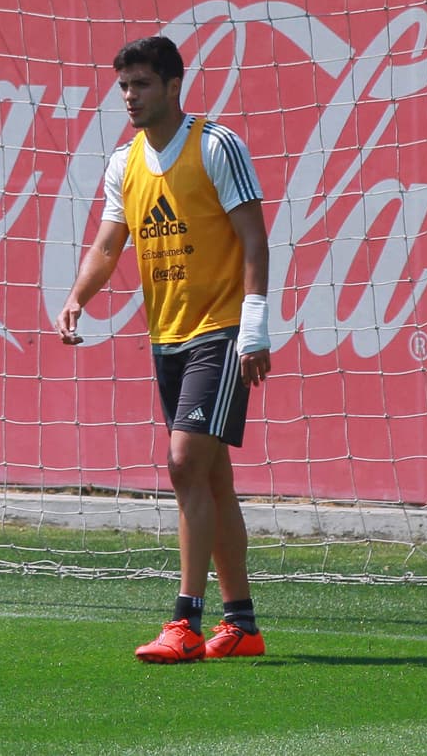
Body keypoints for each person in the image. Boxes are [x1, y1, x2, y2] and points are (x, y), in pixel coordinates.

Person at [56, 35, 272, 663]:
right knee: (211, 477)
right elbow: (108, 244)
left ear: (174, 86)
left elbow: (254, 239)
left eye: (142, 84)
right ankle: (242, 624)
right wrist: (77, 297)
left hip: (221, 330)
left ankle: (185, 621)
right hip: (167, 336)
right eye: (124, 86)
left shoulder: (216, 145)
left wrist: (255, 327)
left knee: (182, 465)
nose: (130, 96)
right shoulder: (124, 163)